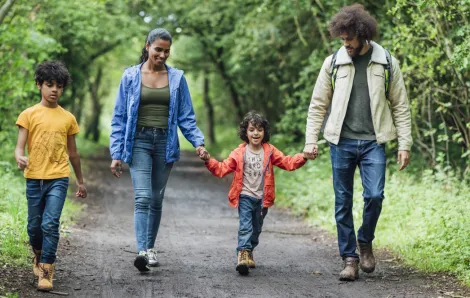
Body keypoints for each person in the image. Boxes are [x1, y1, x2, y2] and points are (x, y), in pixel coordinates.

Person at [303, 4, 412, 281]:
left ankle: (365, 240)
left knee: (374, 195)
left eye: (349, 39)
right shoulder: (333, 63)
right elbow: (318, 105)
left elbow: (400, 105)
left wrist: (404, 144)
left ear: (363, 35)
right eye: (342, 39)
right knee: (343, 202)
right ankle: (349, 259)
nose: (346, 44)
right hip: (341, 142)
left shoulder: (386, 61)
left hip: (374, 141)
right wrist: (310, 140)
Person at [109, 28, 209, 272]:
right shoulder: (130, 76)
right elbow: (119, 117)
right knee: (142, 197)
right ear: (147, 47)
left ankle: (150, 247)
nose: (162, 55)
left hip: (165, 143)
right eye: (158, 49)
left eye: (166, 51)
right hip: (139, 141)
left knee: (156, 198)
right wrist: (116, 153)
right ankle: (142, 251)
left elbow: (186, 116)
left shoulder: (177, 78)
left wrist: (198, 142)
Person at [201, 111, 307, 275]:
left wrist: (304, 156)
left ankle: (249, 249)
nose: (255, 133)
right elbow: (222, 169)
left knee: (256, 229)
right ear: (246, 132)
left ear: (264, 132)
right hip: (244, 195)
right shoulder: (239, 153)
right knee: (245, 227)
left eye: (259, 129)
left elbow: (288, 162)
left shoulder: (270, 151)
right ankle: (242, 254)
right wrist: (208, 160)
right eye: (251, 130)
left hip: (263, 198)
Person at [15, 61, 87, 291]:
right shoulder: (28, 115)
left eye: (59, 86)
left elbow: (74, 154)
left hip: (58, 177)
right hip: (34, 178)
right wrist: (19, 157)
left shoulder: (68, 118)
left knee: (51, 224)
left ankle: (47, 271)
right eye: (49, 84)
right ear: (39, 85)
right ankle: (38, 254)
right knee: (34, 227)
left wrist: (81, 182)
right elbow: (19, 147)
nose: (55, 89)